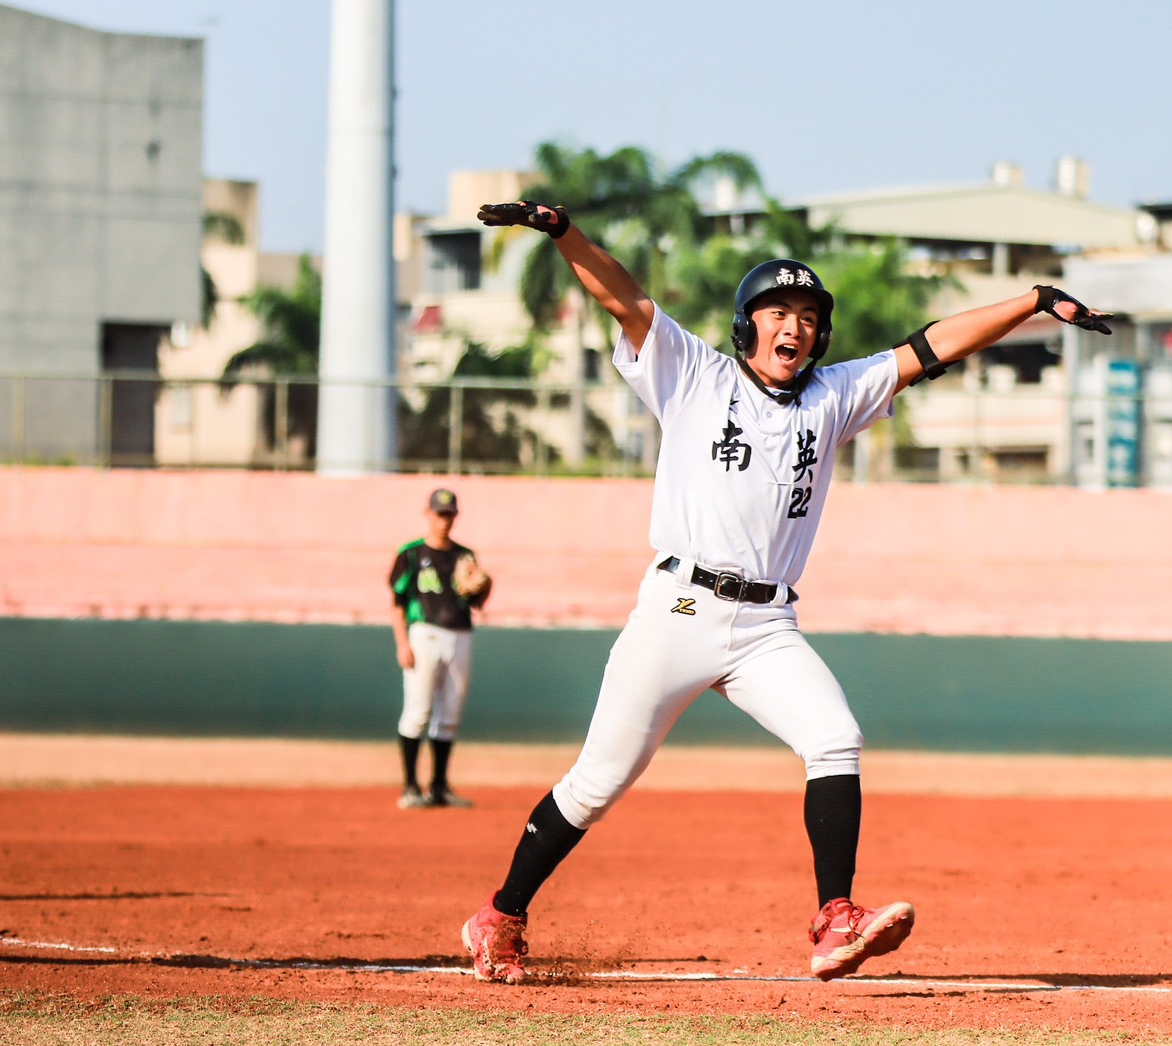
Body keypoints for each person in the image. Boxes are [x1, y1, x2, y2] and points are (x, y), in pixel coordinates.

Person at [461, 199, 1112, 984]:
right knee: (595, 785)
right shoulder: (693, 375)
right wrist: (563, 233)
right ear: (746, 325)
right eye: (777, 311)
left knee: (834, 739)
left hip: (767, 621)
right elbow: (624, 300)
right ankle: (500, 914)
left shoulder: (832, 395)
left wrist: (1034, 300)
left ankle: (835, 918)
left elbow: (929, 346)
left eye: (807, 314)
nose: (794, 326)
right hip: (679, 609)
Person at [388, 487, 493, 810]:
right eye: (439, 514)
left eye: (449, 514)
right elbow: (397, 602)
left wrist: (483, 587)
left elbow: (476, 603)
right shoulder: (412, 553)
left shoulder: (465, 555)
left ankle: (438, 787)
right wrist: (402, 642)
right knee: (418, 712)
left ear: (455, 516)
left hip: (460, 634)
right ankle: (409, 787)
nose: (444, 520)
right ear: (428, 514)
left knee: (449, 714)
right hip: (424, 633)